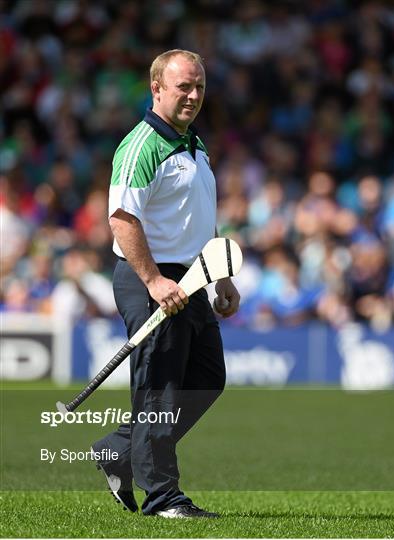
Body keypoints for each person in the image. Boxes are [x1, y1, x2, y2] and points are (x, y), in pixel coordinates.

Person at [91, 49, 240, 518]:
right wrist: (154, 279)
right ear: (157, 89)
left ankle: (118, 449)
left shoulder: (196, 143)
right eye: (183, 87)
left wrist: (221, 275)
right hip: (150, 279)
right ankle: (162, 497)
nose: (194, 95)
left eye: (199, 86)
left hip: (194, 278)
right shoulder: (141, 144)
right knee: (160, 388)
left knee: (206, 380)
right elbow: (120, 218)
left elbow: (200, 219)